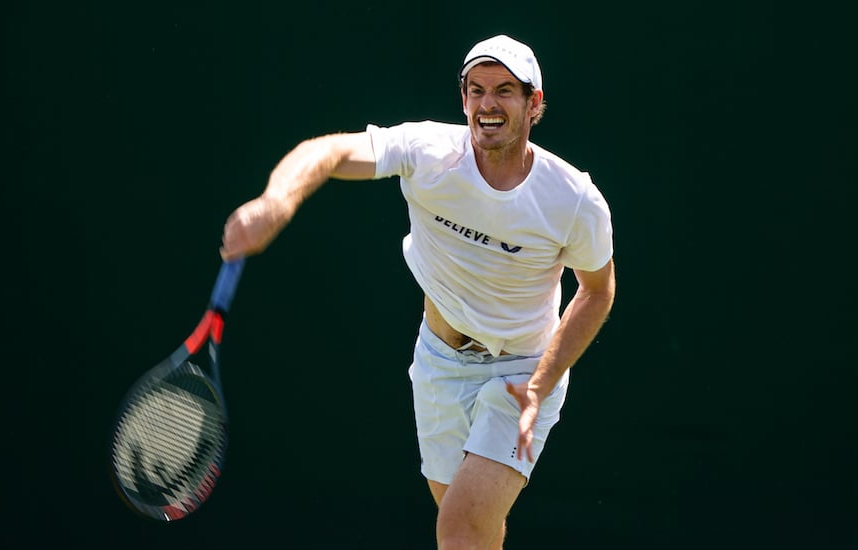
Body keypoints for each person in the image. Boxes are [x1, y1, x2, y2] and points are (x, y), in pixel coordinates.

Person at [220, 34, 616, 550]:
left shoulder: (574, 199)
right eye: (475, 90)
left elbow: (597, 292)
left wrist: (540, 386)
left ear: (533, 102)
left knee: (458, 532)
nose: (487, 104)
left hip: (522, 374)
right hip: (439, 364)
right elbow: (331, 150)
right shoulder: (430, 152)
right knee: (473, 530)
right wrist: (277, 202)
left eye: (503, 91)